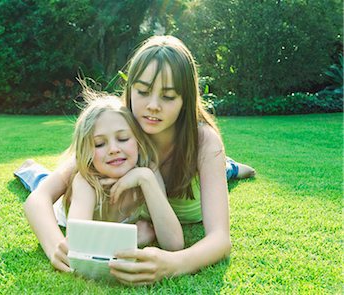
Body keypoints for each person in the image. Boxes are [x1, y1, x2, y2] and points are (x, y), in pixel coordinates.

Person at [19, 35, 256, 284]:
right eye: (143, 91)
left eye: (168, 96)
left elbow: (220, 239)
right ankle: (31, 170)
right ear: (130, 89)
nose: (152, 106)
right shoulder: (119, 131)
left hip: (196, 180)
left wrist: (173, 264)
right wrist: (57, 246)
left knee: (224, 167)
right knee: (52, 180)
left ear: (185, 99)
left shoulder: (204, 143)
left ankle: (231, 167)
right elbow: (39, 199)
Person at [46, 86, 183, 250]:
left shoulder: (147, 170)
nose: (113, 149)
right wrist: (132, 238)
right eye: (100, 144)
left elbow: (174, 244)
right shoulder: (86, 182)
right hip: (61, 208)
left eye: (123, 139)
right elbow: (78, 242)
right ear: (88, 151)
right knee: (38, 178)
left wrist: (145, 178)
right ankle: (29, 168)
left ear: (138, 143)